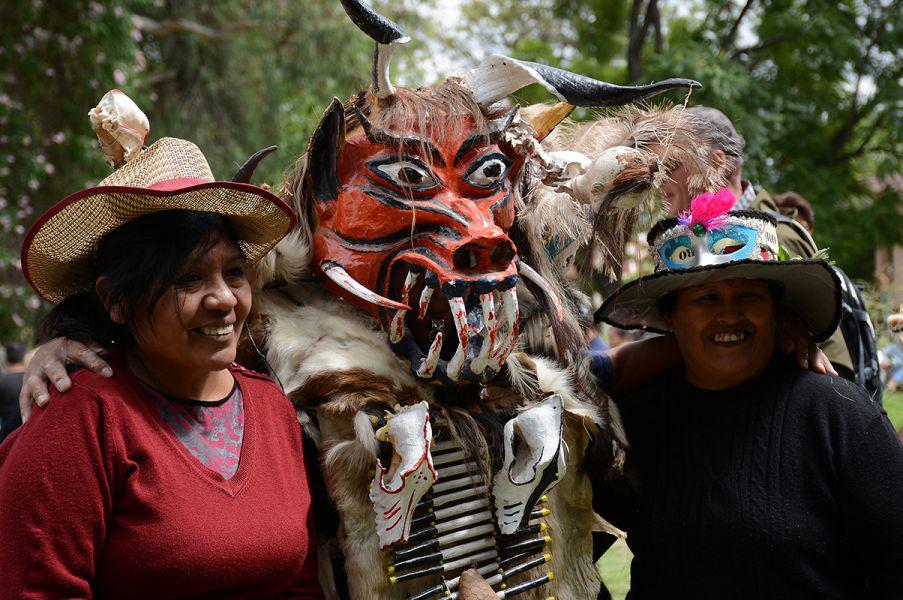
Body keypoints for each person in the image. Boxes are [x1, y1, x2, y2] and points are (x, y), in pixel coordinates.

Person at [0, 91, 322, 598]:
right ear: (115, 301)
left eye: (234, 272)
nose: (223, 299)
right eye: (189, 278)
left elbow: (300, 584)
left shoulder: (271, 407)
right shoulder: (80, 420)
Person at [592, 190, 903, 598]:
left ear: (777, 311)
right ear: (672, 316)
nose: (730, 314)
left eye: (749, 295)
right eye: (707, 297)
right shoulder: (633, 422)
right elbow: (569, 544)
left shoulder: (838, 418)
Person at [660, 105, 855, 379]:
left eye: (671, 164)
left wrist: (786, 315)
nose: (658, 179)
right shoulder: (686, 241)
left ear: (717, 163)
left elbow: (835, 368)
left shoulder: (780, 236)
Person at [0, 341, 27, 442]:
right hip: (26, 438)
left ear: (6, 359)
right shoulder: (34, 382)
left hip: (5, 438)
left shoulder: (2, 382)